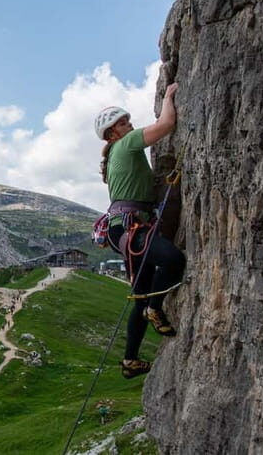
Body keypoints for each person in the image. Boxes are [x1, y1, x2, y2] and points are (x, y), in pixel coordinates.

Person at [95, 82, 186, 379]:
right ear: (113, 133)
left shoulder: (114, 156)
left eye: (128, 121)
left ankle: (130, 360)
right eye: (123, 123)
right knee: (173, 260)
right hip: (130, 226)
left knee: (140, 295)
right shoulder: (128, 142)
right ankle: (154, 308)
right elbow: (167, 124)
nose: (129, 124)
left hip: (123, 228)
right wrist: (170, 96)